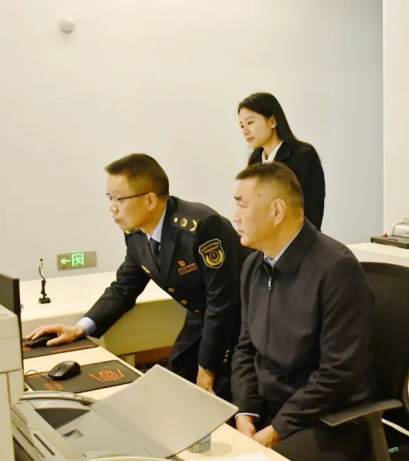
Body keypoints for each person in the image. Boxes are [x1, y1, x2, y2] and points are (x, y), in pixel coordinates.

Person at [26, 154, 248, 399]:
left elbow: (223, 302)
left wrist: (207, 370)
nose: (112, 207)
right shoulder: (136, 234)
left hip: (243, 318)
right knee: (178, 374)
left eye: (119, 199)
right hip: (204, 314)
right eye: (110, 198)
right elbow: (124, 288)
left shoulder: (202, 227)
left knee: (221, 390)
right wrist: (79, 328)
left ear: (150, 200)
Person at [231, 162, 375, 460]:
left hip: (327, 417)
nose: (235, 216)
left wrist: (277, 429)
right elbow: (246, 348)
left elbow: (338, 373)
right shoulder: (253, 265)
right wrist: (245, 411)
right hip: (272, 408)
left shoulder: (336, 268)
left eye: (242, 206)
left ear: (276, 211)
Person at [238, 92, 326, 230]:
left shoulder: (303, 156)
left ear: (272, 121)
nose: (245, 131)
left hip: (295, 241)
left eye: (250, 122)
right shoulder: (255, 160)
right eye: (242, 125)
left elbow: (312, 216)